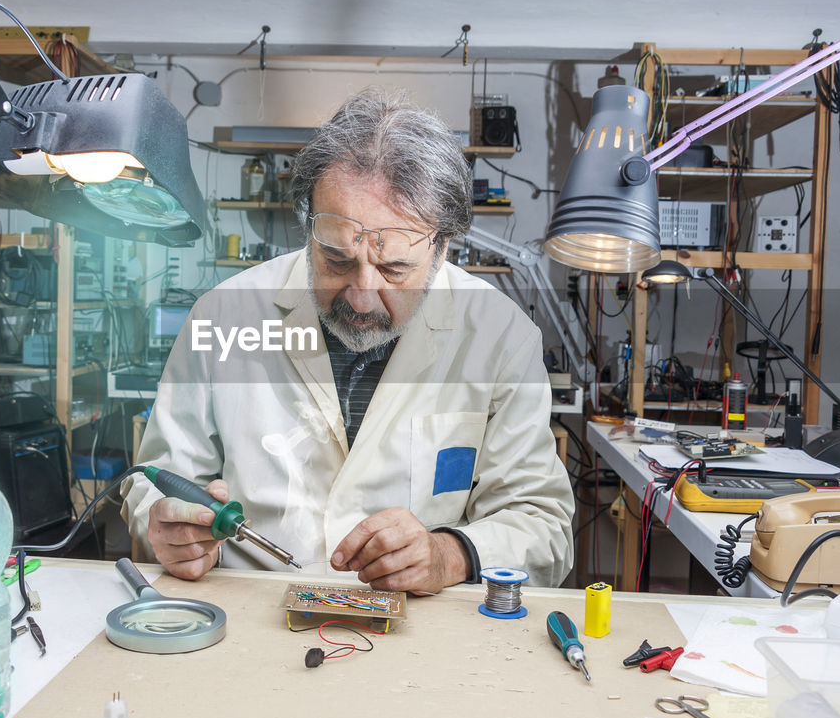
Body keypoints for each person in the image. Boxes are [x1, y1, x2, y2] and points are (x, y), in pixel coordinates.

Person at [122, 89, 574, 591]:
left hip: (419, 632)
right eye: (336, 259)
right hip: (248, 621)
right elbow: (153, 480)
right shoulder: (224, 314)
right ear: (307, 227)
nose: (361, 297)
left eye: (395, 267)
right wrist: (163, 526)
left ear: (443, 247)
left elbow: (545, 525)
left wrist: (450, 554)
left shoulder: (500, 336)